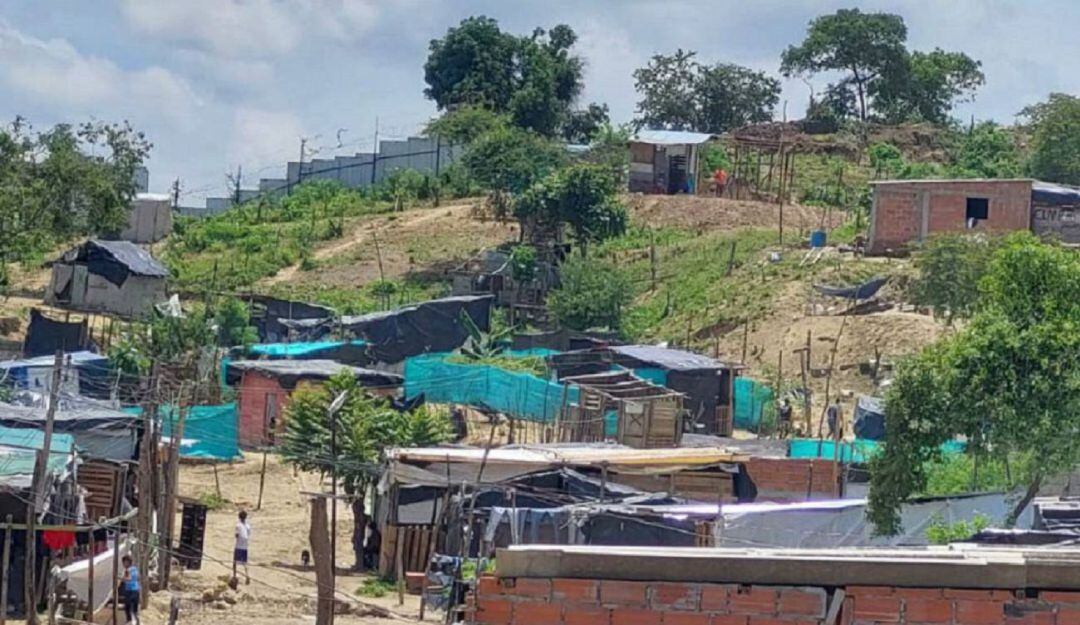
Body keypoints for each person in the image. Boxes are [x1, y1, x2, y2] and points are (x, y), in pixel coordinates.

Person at [120, 555, 140, 625]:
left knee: (128, 608)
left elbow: (129, 579)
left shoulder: (128, 570)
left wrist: (120, 578)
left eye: (124, 562)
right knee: (134, 610)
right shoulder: (135, 569)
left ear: (128, 562)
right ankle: (136, 622)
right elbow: (136, 578)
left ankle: (129, 621)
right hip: (136, 590)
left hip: (130, 591)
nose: (124, 564)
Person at [234, 510, 251, 585]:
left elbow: (237, 535)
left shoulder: (238, 525)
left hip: (238, 546)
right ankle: (247, 575)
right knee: (245, 562)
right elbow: (248, 534)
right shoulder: (248, 526)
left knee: (235, 562)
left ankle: (235, 576)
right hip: (245, 546)